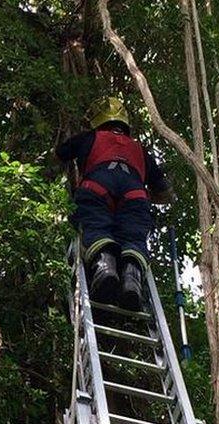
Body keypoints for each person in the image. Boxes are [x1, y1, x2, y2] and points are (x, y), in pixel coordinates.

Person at [56, 96, 174, 311]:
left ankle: (105, 270)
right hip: (136, 196)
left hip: (96, 188)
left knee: (97, 227)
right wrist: (143, 195)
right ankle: (132, 283)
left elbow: (62, 153)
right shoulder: (140, 149)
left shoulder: (90, 137)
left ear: (97, 120)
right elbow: (165, 193)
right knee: (133, 238)